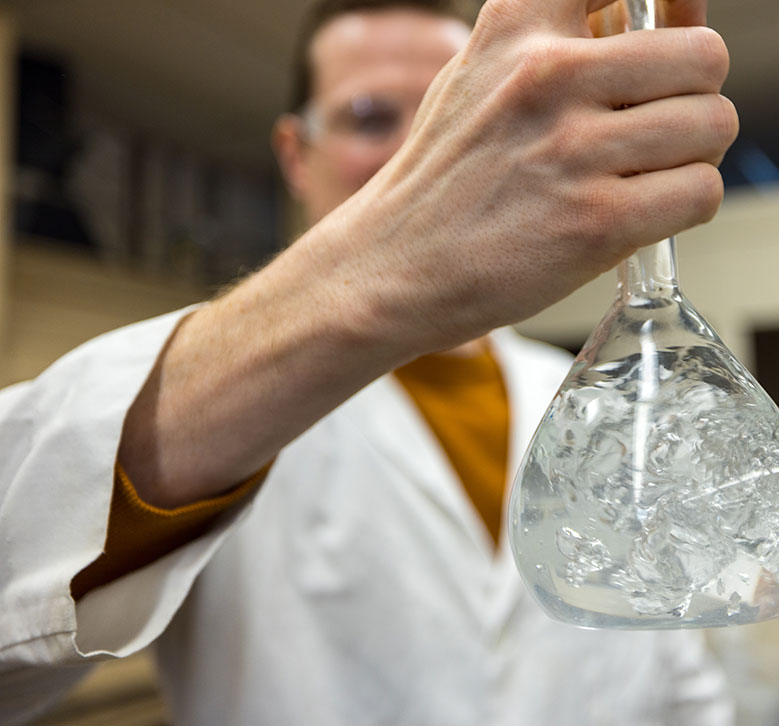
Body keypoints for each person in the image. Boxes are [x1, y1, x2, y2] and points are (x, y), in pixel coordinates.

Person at [0, 0, 739, 723]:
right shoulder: (222, 399)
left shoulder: (585, 396)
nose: (436, 149)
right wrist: (378, 276)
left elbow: (680, 676)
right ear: (295, 153)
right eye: (372, 117)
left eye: (458, 107)